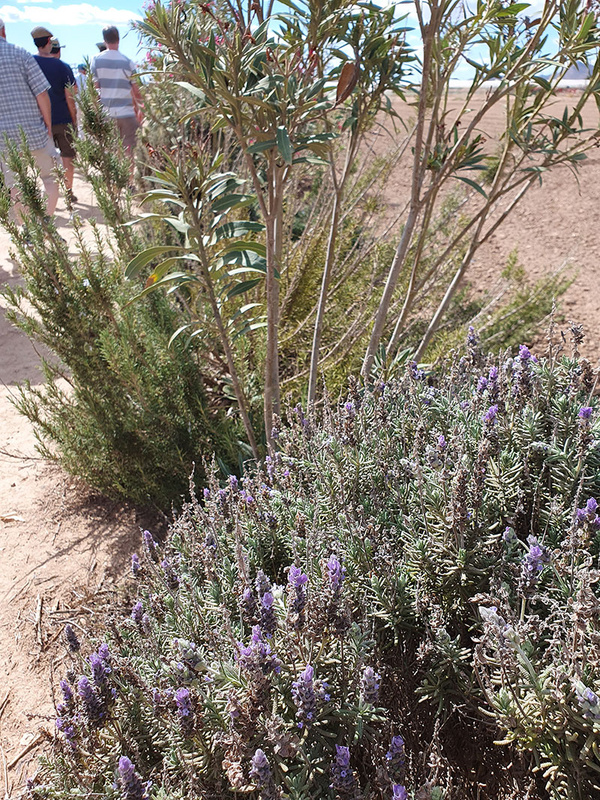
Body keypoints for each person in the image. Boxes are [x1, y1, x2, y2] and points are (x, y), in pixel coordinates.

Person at [0, 18, 59, 219]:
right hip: (34, 130)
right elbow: (41, 94)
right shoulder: (21, 53)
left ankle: (28, 232)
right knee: (50, 178)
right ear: (4, 31)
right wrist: (48, 126)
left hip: (4, 138)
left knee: (16, 185)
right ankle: (46, 225)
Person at [32, 25, 78, 203]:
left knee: (45, 159)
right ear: (49, 42)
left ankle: (49, 195)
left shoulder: (31, 63)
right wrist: (74, 119)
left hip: (40, 122)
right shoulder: (62, 66)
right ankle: (68, 190)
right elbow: (70, 96)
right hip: (63, 118)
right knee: (68, 156)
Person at [91, 25, 143, 169]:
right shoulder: (127, 62)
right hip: (126, 112)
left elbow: (96, 90)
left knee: (113, 150)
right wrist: (141, 110)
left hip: (107, 113)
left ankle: (116, 184)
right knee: (130, 150)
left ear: (104, 40)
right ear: (118, 39)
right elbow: (136, 91)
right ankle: (130, 182)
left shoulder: (96, 60)